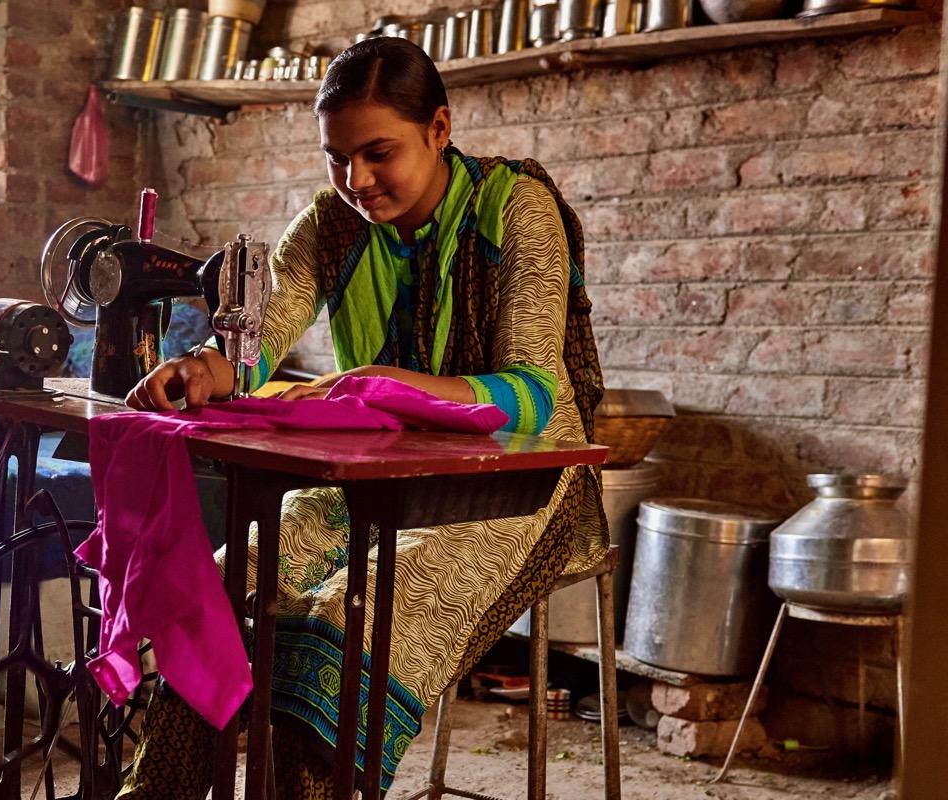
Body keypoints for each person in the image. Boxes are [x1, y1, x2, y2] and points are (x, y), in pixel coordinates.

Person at [115, 35, 608, 799]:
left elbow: (533, 395)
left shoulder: (516, 210)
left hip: (520, 483)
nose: (357, 179)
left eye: (380, 153)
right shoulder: (332, 225)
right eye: (336, 158)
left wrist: (389, 383)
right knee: (216, 590)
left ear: (439, 130)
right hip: (377, 470)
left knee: (346, 634)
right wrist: (205, 368)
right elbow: (260, 338)